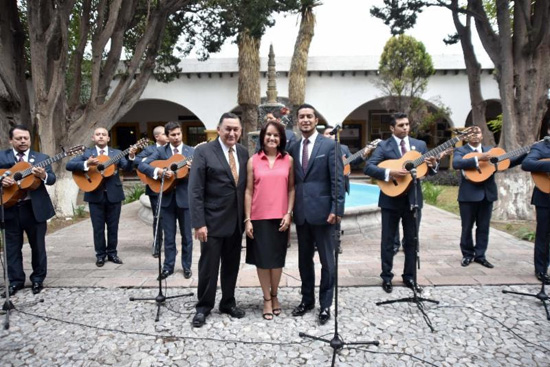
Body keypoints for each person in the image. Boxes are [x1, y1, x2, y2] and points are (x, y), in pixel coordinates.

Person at [364, 112, 438, 294]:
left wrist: (433, 164)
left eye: (407, 124)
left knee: (412, 240)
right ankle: (387, 276)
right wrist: (390, 174)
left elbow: (428, 170)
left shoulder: (419, 145)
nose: (405, 128)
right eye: (401, 125)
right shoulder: (384, 145)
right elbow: (369, 167)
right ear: (392, 128)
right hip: (390, 198)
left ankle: (410, 277)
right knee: (388, 240)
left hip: (413, 199)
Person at [188, 112, 249, 327]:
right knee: (209, 267)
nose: (232, 133)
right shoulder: (203, 151)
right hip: (211, 222)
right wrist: (198, 223)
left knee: (231, 266)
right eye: (228, 129)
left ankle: (228, 303)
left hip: (235, 222)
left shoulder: (243, 152)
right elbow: (195, 189)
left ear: (240, 131)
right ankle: (203, 306)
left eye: (236, 129)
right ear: (219, 129)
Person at [288, 103, 345, 325]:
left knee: (327, 262)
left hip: (324, 215)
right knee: (304, 261)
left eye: (309, 116)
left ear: (316, 119)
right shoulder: (293, 146)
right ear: (297, 120)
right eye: (301, 117)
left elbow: (337, 180)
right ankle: (307, 300)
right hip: (301, 215)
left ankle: (326, 304)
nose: (305, 120)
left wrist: (336, 209)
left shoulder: (330, 146)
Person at [453, 126, 525, 269]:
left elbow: (508, 163)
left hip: (487, 194)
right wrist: (479, 157)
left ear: (482, 135)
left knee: (484, 227)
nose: (474, 135)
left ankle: (480, 255)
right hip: (468, 195)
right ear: (466, 136)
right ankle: (467, 254)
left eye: (477, 132)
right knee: (466, 227)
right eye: (471, 133)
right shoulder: (461, 150)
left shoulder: (491, 150)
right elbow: (456, 163)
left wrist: (525, 154)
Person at [244, 121, 295, 320]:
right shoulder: (253, 160)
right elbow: (248, 191)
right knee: (262, 262)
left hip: (280, 217)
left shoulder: (288, 160)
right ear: (262, 138)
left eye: (276, 135)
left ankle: (275, 295)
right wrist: (247, 219)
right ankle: (266, 298)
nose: (272, 138)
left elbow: (292, 189)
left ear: (281, 138)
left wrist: (289, 213)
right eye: (268, 135)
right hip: (258, 218)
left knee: (277, 261)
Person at [66, 127, 136, 267]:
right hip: (94, 194)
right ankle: (100, 255)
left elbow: (127, 167)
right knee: (97, 228)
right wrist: (87, 163)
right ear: (93, 138)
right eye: (98, 134)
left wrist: (132, 156)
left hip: (113, 195)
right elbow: (69, 165)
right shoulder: (88, 153)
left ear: (108, 138)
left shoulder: (116, 153)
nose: (101, 137)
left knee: (113, 227)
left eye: (104, 134)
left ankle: (112, 253)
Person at [0, 125, 56, 296]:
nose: (23, 141)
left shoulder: (41, 158)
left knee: (38, 246)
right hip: (9, 209)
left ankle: (38, 279)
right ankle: (15, 281)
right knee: (11, 247)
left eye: (26, 138)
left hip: (34, 209)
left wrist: (42, 176)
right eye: (19, 138)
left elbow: (52, 179)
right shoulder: (2, 156)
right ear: (11, 140)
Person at [138, 122, 194, 280]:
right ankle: (168, 267)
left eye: (178, 134)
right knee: (168, 236)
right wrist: (159, 171)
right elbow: (143, 166)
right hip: (166, 199)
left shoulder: (192, 151)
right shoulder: (160, 151)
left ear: (182, 133)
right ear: (167, 136)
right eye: (173, 135)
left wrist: (193, 168)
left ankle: (186, 266)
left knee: (187, 237)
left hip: (185, 199)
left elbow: (202, 172)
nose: (176, 137)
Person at [323, 125, 373, 254]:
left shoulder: (343, 148)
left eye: (332, 134)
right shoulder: (319, 148)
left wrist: (364, 154)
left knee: (337, 215)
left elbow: (354, 160)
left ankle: (336, 243)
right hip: (324, 187)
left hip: (340, 185)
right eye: (327, 133)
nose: (329, 136)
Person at [135, 126, 168, 258]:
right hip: (154, 188)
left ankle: (170, 245)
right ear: (157, 137)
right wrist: (153, 165)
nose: (168, 136)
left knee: (169, 218)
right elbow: (137, 161)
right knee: (158, 217)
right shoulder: (149, 149)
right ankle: (157, 245)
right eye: (165, 134)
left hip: (170, 187)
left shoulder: (172, 149)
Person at [521, 137, 550, 284]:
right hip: (545, 197)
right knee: (544, 235)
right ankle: (541, 270)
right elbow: (526, 164)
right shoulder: (541, 147)